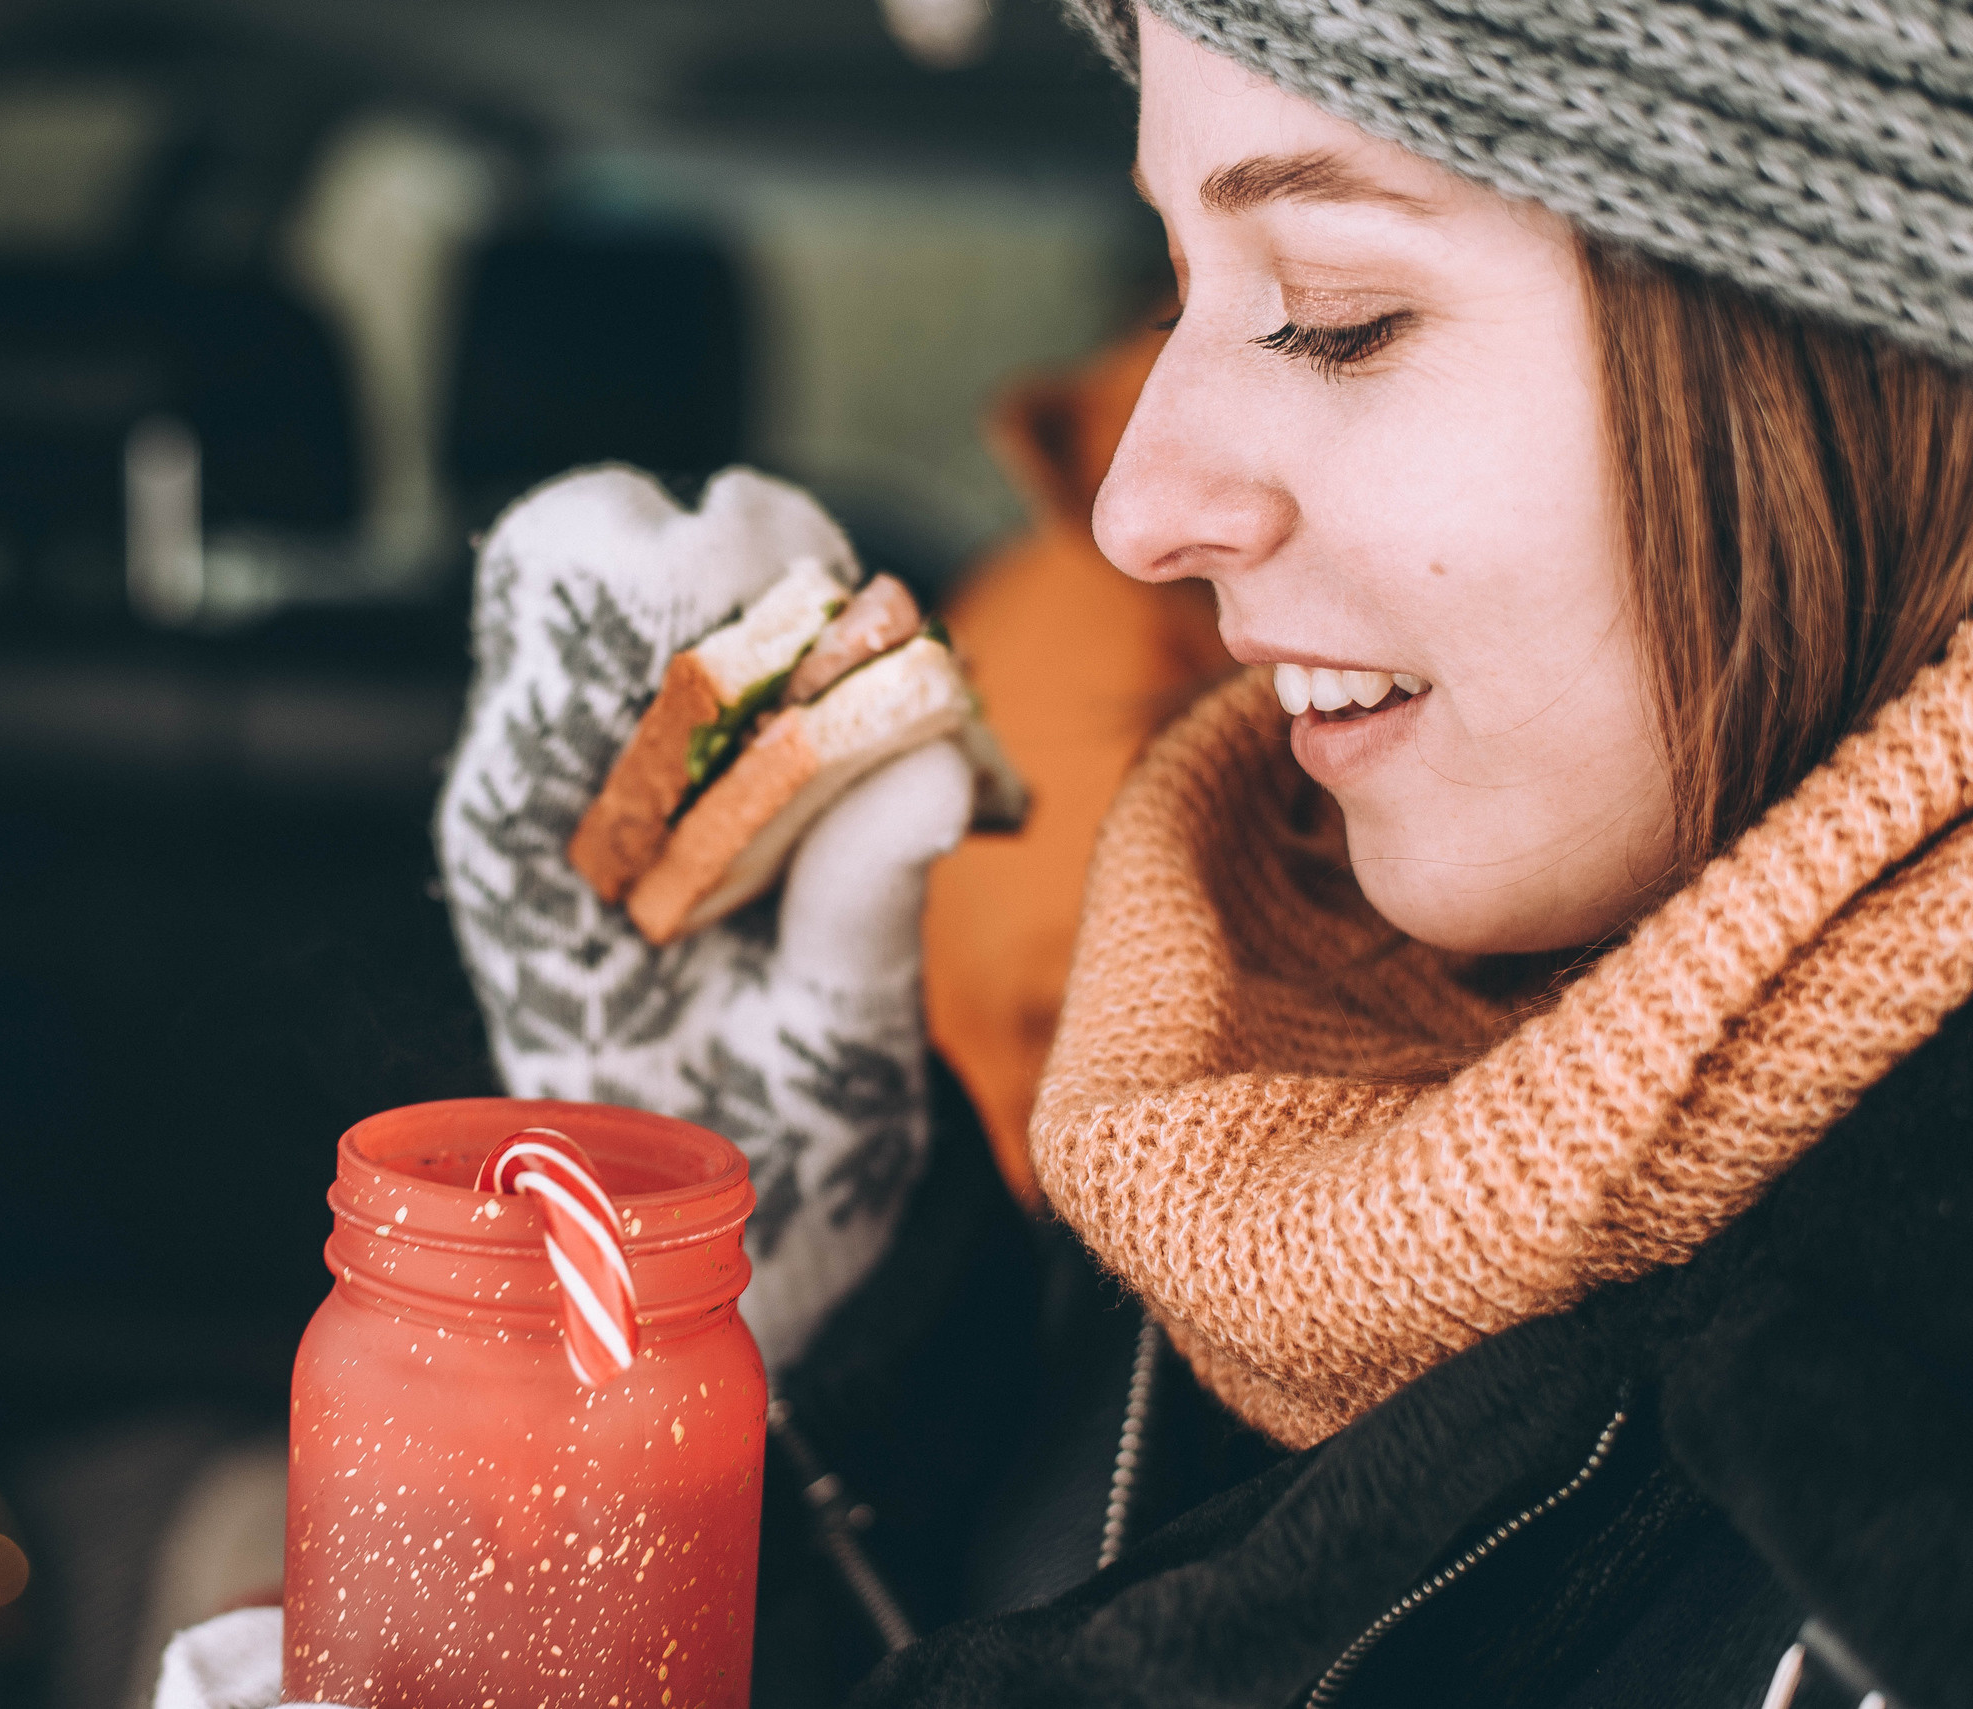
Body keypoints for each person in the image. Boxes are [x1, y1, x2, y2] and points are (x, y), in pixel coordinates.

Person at [437, 4, 1971, 1709]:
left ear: (1875, 359)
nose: (1137, 508)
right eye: (1175, 295)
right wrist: (826, 1350)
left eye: (1334, 313)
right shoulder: (1251, 1107)